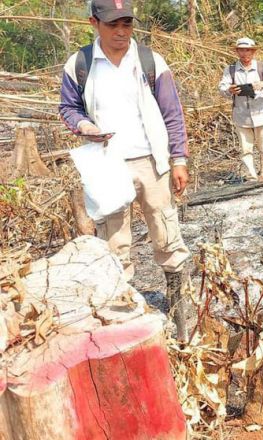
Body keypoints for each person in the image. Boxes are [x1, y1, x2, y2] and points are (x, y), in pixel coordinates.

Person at [59, 0, 191, 339]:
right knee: (115, 244)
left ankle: (180, 316)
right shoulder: (81, 64)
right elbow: (68, 108)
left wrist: (179, 160)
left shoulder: (149, 61)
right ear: (94, 23)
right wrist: (83, 125)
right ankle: (126, 321)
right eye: (112, 25)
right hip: (107, 165)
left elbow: (172, 113)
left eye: (126, 24)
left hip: (152, 163)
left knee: (168, 237)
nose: (121, 32)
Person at [218, 37, 263, 181]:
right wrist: (230, 90)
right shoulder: (231, 70)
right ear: (237, 52)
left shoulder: (261, 67)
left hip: (261, 113)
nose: (245, 54)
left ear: (253, 52)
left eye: (248, 50)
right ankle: (251, 178)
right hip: (241, 115)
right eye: (241, 50)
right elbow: (222, 88)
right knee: (246, 150)